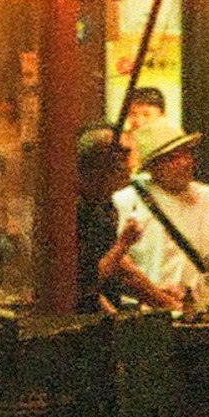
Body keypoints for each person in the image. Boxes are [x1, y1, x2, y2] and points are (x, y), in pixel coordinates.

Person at [107, 121, 209, 311]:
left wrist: (206, 294)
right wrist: (155, 293)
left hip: (201, 309)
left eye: (186, 153)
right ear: (152, 166)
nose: (184, 162)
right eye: (172, 158)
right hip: (142, 312)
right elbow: (117, 267)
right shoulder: (124, 201)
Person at [73, 126, 135, 311]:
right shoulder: (72, 208)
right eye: (122, 156)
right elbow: (82, 283)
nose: (129, 166)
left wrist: (165, 300)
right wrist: (123, 245)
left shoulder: (104, 205)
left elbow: (122, 270)